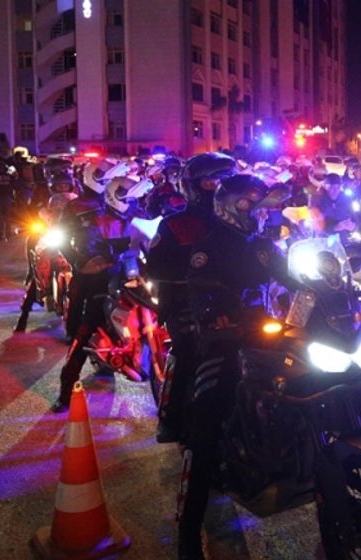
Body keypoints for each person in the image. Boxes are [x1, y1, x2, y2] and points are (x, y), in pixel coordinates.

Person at [175, 173, 293, 560]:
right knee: (205, 435)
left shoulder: (262, 246)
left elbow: (291, 276)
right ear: (233, 208)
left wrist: (327, 288)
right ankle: (188, 533)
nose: (261, 215)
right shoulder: (208, 248)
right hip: (224, 342)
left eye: (262, 209)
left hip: (265, 336)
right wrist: (214, 314)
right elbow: (199, 290)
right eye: (254, 208)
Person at [146, 152, 237, 443]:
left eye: (227, 180)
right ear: (194, 186)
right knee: (187, 351)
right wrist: (195, 275)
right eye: (213, 181)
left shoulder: (240, 221)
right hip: (184, 302)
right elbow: (156, 267)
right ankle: (170, 418)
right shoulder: (176, 224)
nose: (221, 187)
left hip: (234, 302)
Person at [50, 197, 117, 411]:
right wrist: (81, 262)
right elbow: (63, 238)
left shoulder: (127, 211)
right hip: (93, 278)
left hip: (125, 275)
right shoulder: (79, 208)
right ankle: (66, 391)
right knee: (86, 328)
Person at [14, 168, 79, 332]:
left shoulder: (78, 203)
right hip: (52, 238)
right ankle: (24, 315)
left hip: (71, 239)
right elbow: (35, 217)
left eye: (65, 185)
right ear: (53, 187)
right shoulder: (46, 205)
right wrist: (34, 225)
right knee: (40, 268)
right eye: (59, 186)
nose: (62, 188)